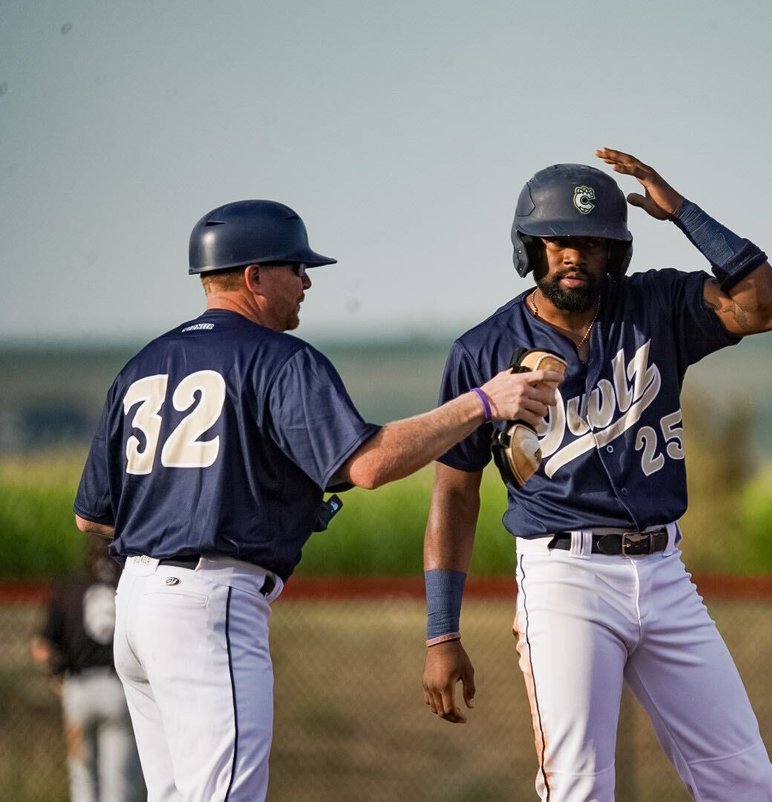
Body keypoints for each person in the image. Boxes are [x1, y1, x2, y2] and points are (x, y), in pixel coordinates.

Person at [72, 199, 561, 802]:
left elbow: (92, 515)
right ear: (254, 276)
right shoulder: (278, 358)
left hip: (136, 610)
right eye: (295, 268)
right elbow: (370, 464)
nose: (306, 282)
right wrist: (483, 402)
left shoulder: (142, 364)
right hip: (208, 603)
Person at [422, 148, 772, 801]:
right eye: (559, 241)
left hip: (665, 573)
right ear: (530, 248)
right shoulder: (481, 351)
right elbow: (455, 494)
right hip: (564, 576)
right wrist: (442, 630)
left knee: (744, 781)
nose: (574, 256)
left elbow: (767, 306)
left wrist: (682, 212)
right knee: (579, 788)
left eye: (592, 244)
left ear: (614, 252)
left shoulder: (658, 305)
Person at [32, 534, 145, 802]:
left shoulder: (69, 586)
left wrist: (57, 675)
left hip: (79, 691)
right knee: (119, 784)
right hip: (119, 691)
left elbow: (42, 648)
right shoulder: (128, 583)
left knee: (83, 781)